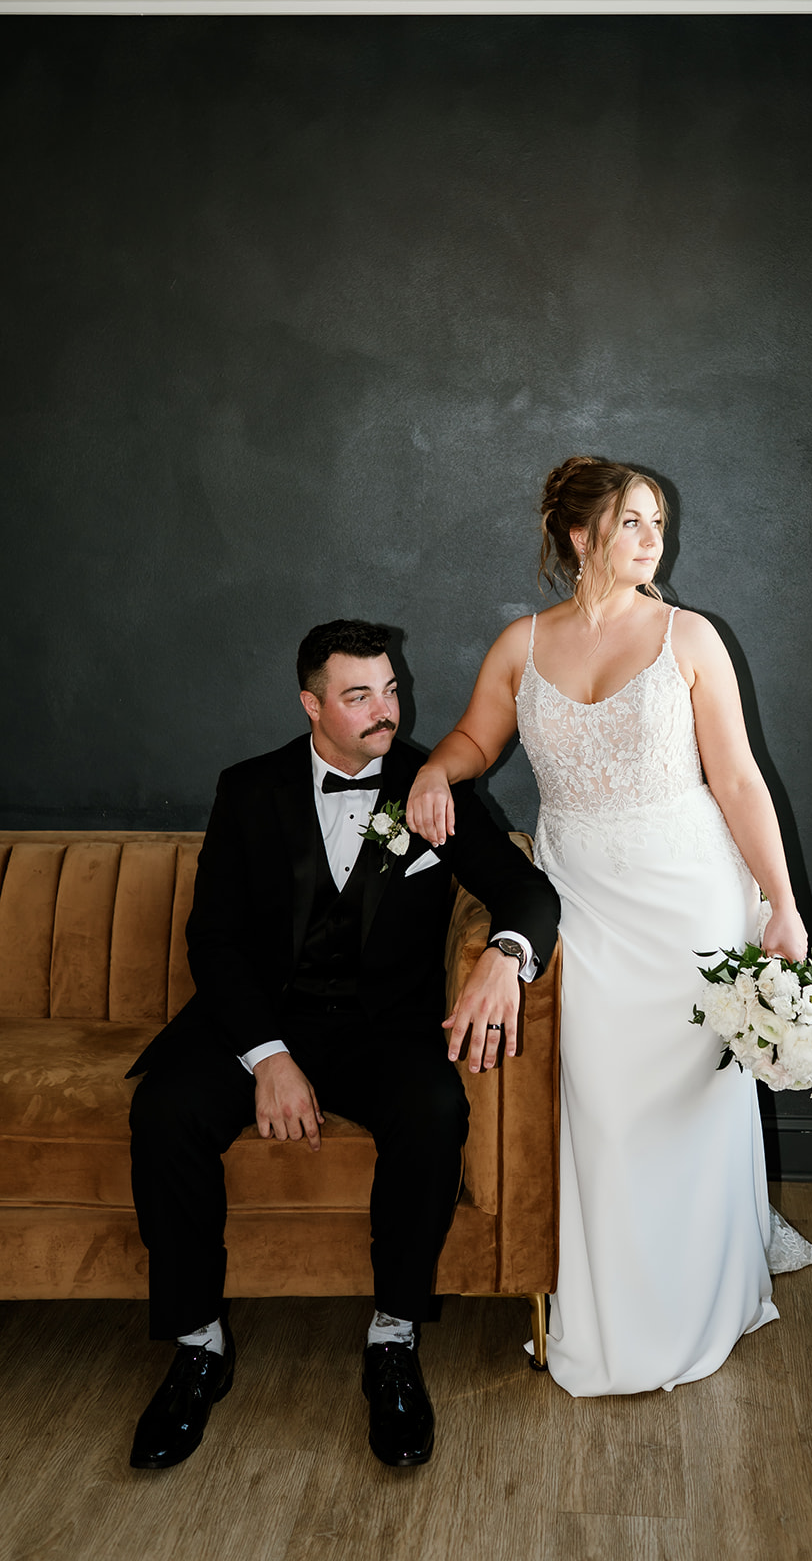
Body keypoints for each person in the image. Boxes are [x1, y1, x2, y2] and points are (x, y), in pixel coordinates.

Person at [406, 456, 812, 1398]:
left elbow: (740, 782)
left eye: (658, 523)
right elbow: (476, 738)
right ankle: (608, 1310)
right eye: (633, 521)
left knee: (688, 1105)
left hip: (689, 906)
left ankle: (698, 1301)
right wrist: (436, 772)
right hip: (581, 903)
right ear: (580, 536)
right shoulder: (522, 644)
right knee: (602, 1108)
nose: (652, 539)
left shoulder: (691, 639)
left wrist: (781, 905)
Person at [126, 619, 560, 1469]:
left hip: (381, 1032)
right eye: (360, 696)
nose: (385, 712)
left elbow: (526, 889)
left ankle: (393, 1339)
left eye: (391, 689)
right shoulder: (248, 790)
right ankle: (198, 1348)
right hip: (258, 1024)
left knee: (434, 1111)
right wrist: (270, 1058)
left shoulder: (428, 784)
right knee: (165, 1110)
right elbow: (211, 939)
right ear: (311, 704)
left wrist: (506, 958)